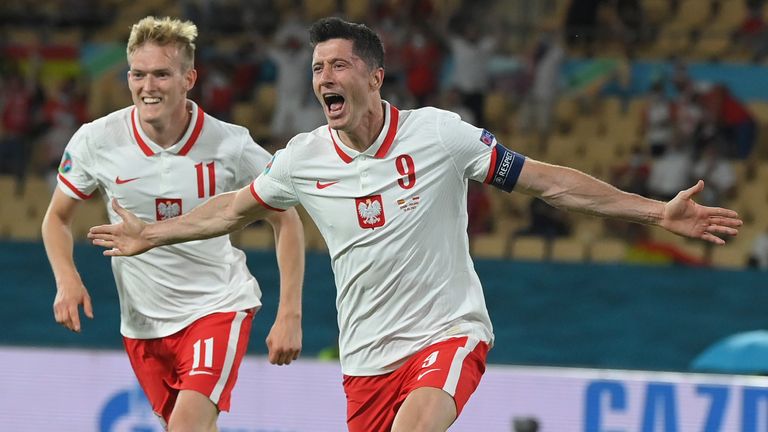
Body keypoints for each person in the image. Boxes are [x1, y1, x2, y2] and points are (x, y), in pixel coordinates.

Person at [88, 17, 743, 432]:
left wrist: (655, 209)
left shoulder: (439, 135)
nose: (324, 78)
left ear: (376, 76)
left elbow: (548, 181)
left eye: (338, 65)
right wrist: (150, 234)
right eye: (317, 69)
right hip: (366, 359)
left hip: (448, 332)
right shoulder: (302, 159)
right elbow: (230, 209)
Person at [41, 16, 305, 432]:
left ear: (189, 78)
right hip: (142, 324)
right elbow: (56, 218)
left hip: (216, 306)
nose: (148, 87)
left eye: (162, 74)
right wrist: (66, 277)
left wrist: (289, 312)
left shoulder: (231, 145)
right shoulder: (97, 140)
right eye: (138, 74)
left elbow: (285, 217)